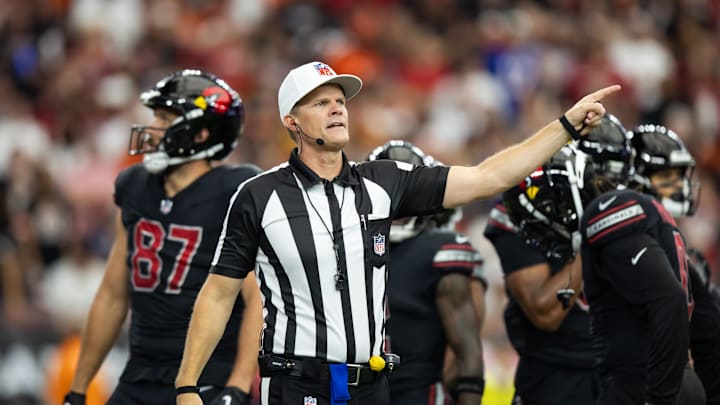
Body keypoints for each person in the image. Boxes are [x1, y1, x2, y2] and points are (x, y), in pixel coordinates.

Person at [174, 60, 620, 405]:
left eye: (340, 101)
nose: (336, 109)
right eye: (320, 103)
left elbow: (488, 177)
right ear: (292, 122)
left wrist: (564, 128)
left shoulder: (383, 181)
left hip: (371, 384)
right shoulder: (258, 195)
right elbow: (219, 292)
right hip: (295, 382)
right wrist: (187, 385)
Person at [62, 70, 264, 405]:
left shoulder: (235, 192)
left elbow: (256, 300)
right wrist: (78, 388)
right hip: (140, 371)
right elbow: (113, 294)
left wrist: (238, 386)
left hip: (205, 374)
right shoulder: (134, 186)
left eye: (165, 118)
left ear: (201, 133)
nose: (153, 128)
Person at [488, 143, 611, 405]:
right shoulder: (518, 212)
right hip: (553, 379)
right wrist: (590, 239)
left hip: (614, 374)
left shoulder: (630, 213)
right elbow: (546, 312)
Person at [368, 140, 486, 405]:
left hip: (418, 394)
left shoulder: (439, 251)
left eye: (404, 193)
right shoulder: (350, 248)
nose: (397, 206)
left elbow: (467, 353)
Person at [631, 124, 720, 404]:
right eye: (667, 175)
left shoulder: (668, 238)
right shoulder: (635, 240)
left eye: (679, 175)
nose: (680, 185)